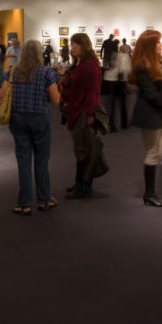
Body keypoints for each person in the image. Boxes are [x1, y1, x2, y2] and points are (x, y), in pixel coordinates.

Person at [0, 39, 60, 216]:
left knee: (23, 160)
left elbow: (2, 96)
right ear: (39, 54)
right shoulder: (46, 72)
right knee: (42, 159)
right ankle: (44, 199)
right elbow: (56, 100)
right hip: (40, 118)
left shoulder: (13, 72)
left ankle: (24, 203)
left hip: (18, 119)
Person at [129, 29, 162, 207]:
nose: (161, 44)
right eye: (158, 42)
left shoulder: (154, 63)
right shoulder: (143, 66)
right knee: (152, 153)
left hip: (158, 114)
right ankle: (149, 194)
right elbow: (150, 94)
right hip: (150, 115)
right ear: (150, 45)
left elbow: (161, 90)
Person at [60, 32, 104, 199]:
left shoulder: (90, 66)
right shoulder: (81, 64)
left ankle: (84, 187)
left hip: (84, 113)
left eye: (76, 45)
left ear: (84, 45)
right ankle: (79, 183)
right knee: (81, 149)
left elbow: (92, 93)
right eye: (72, 45)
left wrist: (91, 114)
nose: (72, 48)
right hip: (76, 111)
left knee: (85, 151)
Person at [102, 43, 130, 132]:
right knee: (122, 104)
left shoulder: (107, 56)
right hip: (119, 82)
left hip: (108, 81)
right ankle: (124, 123)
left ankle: (111, 125)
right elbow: (124, 70)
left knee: (110, 105)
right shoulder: (123, 56)